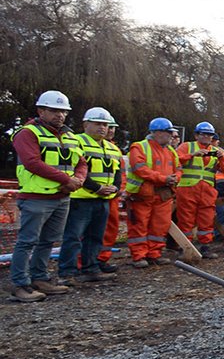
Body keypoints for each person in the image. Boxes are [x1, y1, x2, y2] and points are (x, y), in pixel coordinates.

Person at [9, 90, 86, 302]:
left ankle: (39, 278)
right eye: (54, 110)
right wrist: (66, 180)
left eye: (63, 111)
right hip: (36, 197)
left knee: (48, 241)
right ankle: (20, 284)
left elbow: (81, 162)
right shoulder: (28, 133)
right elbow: (32, 162)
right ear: (40, 110)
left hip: (60, 197)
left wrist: (77, 179)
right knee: (27, 242)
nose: (59, 115)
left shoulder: (69, 135)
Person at [59, 107, 122, 284]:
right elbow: (75, 169)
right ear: (86, 124)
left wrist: (115, 188)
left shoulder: (111, 148)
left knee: (95, 236)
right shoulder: (76, 141)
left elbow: (116, 173)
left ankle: (91, 268)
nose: (102, 128)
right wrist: (97, 188)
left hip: (102, 199)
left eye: (105, 124)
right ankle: (67, 272)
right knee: (73, 236)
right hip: (81, 198)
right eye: (97, 124)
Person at [125, 117, 182, 268]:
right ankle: (139, 256)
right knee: (139, 225)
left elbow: (179, 169)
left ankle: (154, 254)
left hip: (163, 195)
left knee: (159, 226)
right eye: (168, 132)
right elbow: (139, 169)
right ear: (157, 132)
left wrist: (175, 178)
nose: (171, 136)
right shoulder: (139, 147)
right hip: (142, 195)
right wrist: (164, 179)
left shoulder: (170, 151)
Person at [175, 121, 224, 257]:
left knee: (207, 219)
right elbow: (175, 160)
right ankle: (185, 247)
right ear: (197, 135)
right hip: (187, 189)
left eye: (209, 135)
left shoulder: (215, 151)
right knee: (186, 219)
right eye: (203, 134)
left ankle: (205, 247)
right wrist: (192, 155)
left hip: (207, 191)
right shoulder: (187, 146)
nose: (206, 137)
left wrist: (222, 159)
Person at [97, 118, 124, 273]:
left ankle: (102, 259)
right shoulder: (84, 143)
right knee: (90, 231)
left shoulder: (113, 148)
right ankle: (82, 263)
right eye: (109, 127)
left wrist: (119, 188)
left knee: (110, 229)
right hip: (90, 195)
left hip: (112, 195)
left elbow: (119, 172)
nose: (110, 130)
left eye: (112, 127)